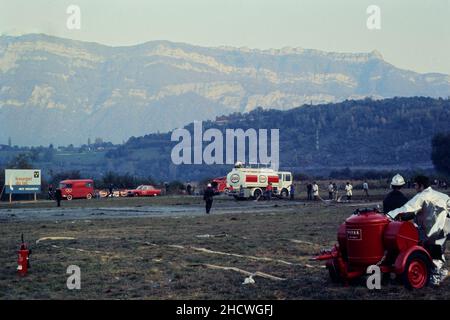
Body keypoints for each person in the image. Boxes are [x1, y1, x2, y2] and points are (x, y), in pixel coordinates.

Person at [386, 175, 450, 286]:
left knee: (429, 253)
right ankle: (438, 274)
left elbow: (407, 208)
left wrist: (389, 215)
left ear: (421, 185)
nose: (414, 187)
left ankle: (434, 278)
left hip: (427, 231)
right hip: (443, 230)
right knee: (438, 253)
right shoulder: (444, 196)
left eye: (415, 184)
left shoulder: (421, 196)